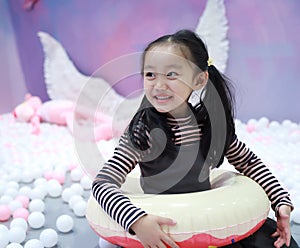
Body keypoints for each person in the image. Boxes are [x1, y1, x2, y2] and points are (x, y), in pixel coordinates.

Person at [92, 29, 297, 248]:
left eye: (171, 74)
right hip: (162, 227)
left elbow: (249, 163)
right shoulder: (143, 132)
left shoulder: (210, 127)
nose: (159, 86)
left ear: (199, 80)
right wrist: (138, 220)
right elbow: (102, 184)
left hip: (204, 225)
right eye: (150, 75)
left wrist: (280, 201)